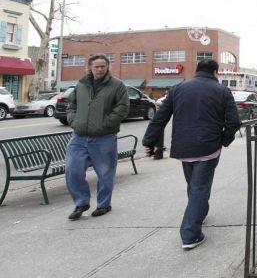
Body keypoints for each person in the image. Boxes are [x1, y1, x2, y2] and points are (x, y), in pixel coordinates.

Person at [142, 59, 240, 250]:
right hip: (208, 147)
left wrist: (149, 141)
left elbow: (160, 117)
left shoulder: (178, 88)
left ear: (196, 70)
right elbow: (234, 122)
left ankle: (199, 213)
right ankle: (190, 234)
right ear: (215, 72)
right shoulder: (222, 91)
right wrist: (224, 140)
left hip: (183, 146)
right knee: (199, 188)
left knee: (194, 185)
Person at [65, 53, 130, 220]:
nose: (100, 69)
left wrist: (106, 124)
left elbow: (122, 108)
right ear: (90, 68)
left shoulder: (117, 85)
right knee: (72, 170)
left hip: (104, 137)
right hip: (79, 137)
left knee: (105, 173)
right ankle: (81, 202)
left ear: (108, 67)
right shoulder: (81, 84)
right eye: (97, 66)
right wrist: (73, 120)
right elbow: (71, 105)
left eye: (103, 66)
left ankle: (104, 204)